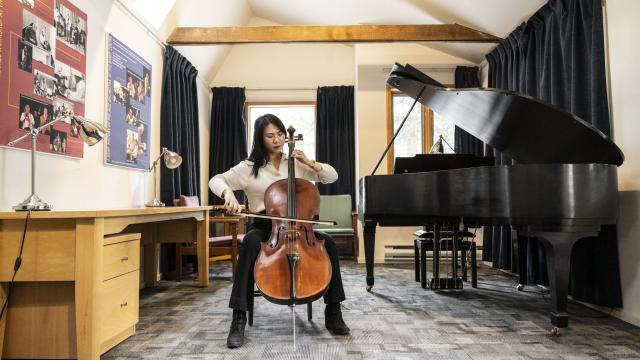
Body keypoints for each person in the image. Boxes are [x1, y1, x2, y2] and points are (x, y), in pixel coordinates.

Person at [209, 114, 350, 349]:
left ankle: (333, 312)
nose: (277, 139)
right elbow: (216, 179)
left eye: (280, 134)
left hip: (300, 226)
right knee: (250, 245)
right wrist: (228, 193)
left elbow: (332, 176)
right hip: (265, 226)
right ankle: (239, 318)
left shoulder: (296, 163)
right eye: (270, 135)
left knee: (329, 243)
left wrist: (310, 163)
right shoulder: (249, 167)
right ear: (260, 139)